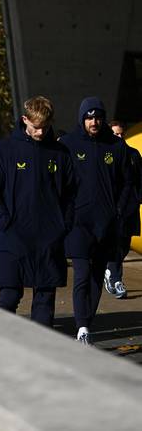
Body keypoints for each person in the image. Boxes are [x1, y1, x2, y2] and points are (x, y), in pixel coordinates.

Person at [0, 96, 74, 328]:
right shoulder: (4, 149)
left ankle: (40, 352)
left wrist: (63, 225)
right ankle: (1, 345)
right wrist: (5, 222)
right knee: (9, 297)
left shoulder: (61, 153)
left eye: (45, 127)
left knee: (44, 301)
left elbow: (72, 194)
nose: (40, 132)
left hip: (49, 240)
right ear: (24, 120)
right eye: (35, 127)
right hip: (14, 238)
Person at [61, 98, 132, 344]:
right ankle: (81, 328)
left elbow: (127, 183)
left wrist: (119, 209)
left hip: (107, 225)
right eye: (89, 117)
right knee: (81, 273)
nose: (94, 122)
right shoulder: (68, 144)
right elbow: (60, 184)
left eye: (98, 117)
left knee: (96, 276)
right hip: (79, 225)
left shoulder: (116, 146)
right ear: (82, 119)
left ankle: (86, 322)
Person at [104, 120, 142, 298]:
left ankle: (109, 269)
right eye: (115, 134)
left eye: (121, 134)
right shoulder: (105, 155)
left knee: (125, 244)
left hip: (130, 207)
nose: (119, 137)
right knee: (116, 242)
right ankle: (115, 277)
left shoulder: (133, 154)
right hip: (112, 208)